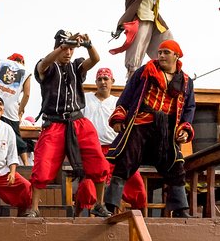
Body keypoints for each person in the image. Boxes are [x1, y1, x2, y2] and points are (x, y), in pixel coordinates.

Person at [104, 40, 195, 218]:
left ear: (176, 55)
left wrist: (185, 128)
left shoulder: (185, 81)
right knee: (125, 161)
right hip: (141, 123)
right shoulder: (145, 72)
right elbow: (127, 96)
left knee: (176, 165)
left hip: (167, 129)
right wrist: (118, 118)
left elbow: (189, 107)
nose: (161, 55)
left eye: (166, 52)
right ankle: (109, 206)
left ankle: (180, 210)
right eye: (159, 52)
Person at [26, 29, 110, 218]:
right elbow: (45, 63)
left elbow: (95, 60)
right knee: (43, 164)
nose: (69, 53)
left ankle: (99, 203)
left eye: (72, 50)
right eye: (65, 49)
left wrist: (88, 45)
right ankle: (34, 208)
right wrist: (65, 45)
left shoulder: (76, 67)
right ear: (58, 47)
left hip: (77, 120)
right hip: (54, 122)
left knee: (97, 159)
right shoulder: (46, 66)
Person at [74, 68, 146, 215]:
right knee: (87, 187)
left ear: (112, 81)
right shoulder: (85, 99)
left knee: (136, 182)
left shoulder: (118, 102)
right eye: (99, 79)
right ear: (95, 82)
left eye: (106, 79)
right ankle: (78, 218)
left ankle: (142, 219)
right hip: (92, 150)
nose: (103, 82)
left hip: (116, 150)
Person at [0, 53, 32, 165]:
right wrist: (21, 110)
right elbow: (27, 94)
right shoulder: (26, 72)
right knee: (15, 136)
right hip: (11, 109)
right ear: (22, 62)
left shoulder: (2, 62)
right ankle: (26, 163)